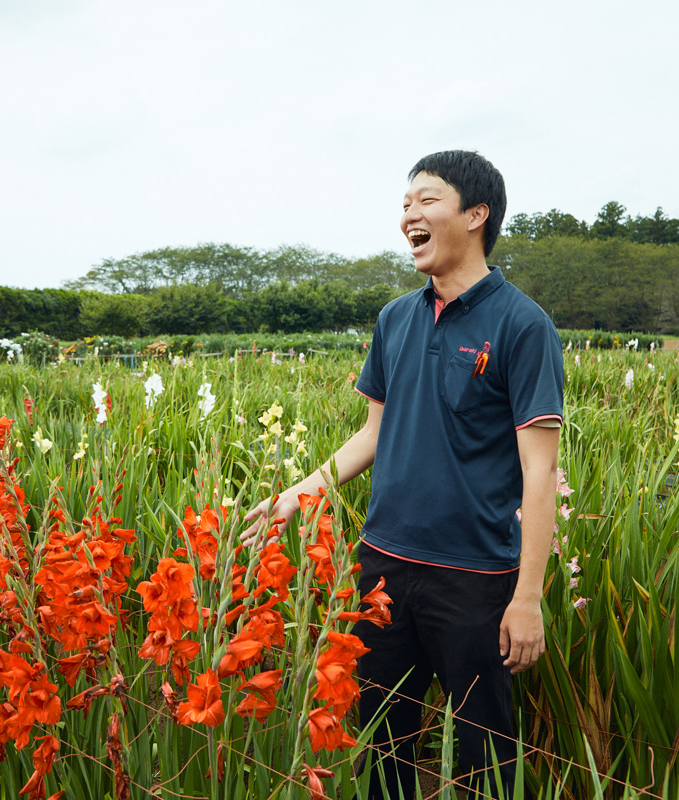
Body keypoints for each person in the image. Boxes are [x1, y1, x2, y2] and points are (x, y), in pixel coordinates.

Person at [244, 150, 563, 798]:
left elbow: (540, 468)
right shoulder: (394, 319)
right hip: (383, 569)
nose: (408, 217)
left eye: (425, 201)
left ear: (476, 214)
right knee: (382, 741)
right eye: (404, 205)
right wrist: (295, 495)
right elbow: (373, 434)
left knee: (486, 755)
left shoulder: (523, 325)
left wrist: (527, 598)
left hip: (475, 579)